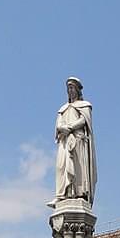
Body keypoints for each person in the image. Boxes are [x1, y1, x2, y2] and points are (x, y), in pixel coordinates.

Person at [51, 77, 97, 206]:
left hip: (77, 140)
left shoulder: (84, 105)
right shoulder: (63, 108)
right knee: (62, 166)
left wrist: (70, 127)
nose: (70, 91)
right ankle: (62, 195)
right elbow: (58, 124)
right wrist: (62, 128)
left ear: (77, 90)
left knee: (77, 167)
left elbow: (84, 120)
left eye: (72, 88)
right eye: (68, 88)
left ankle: (79, 193)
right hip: (64, 141)